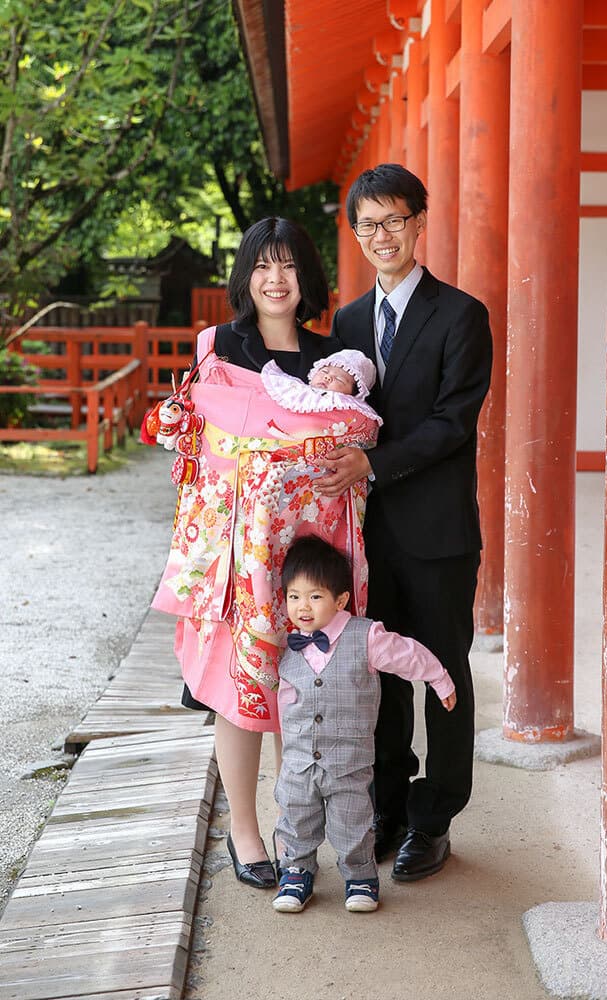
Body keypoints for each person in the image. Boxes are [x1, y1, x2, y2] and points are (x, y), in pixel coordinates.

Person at [152, 217, 368, 891]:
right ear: (246, 276)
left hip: (309, 555)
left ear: (308, 278)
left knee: (304, 689)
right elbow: (199, 442)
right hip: (236, 553)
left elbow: (355, 442)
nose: (276, 280)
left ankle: (294, 832)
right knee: (240, 690)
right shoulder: (218, 346)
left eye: (290, 266)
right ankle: (245, 831)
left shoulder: (333, 361)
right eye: (263, 266)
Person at [317, 164, 492, 882]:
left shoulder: (462, 314)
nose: (381, 235)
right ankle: (387, 806)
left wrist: (374, 464)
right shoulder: (348, 322)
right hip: (366, 533)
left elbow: (454, 422)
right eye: (368, 224)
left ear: (419, 222)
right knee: (378, 675)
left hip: (438, 531)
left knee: (442, 671)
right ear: (357, 233)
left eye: (394, 220)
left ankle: (435, 817)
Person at [271, 535, 455, 914]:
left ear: (340, 600)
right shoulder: (286, 648)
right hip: (299, 763)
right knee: (296, 817)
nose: (303, 606)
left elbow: (406, 654)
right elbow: (286, 706)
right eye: (294, 596)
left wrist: (438, 677)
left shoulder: (365, 636)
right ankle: (297, 871)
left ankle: (359, 875)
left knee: (352, 822)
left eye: (315, 596)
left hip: (348, 763)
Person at [260, 348, 382, 426]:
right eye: (324, 371)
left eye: (339, 379)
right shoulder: (299, 390)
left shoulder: (352, 408)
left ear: (355, 394)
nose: (328, 377)